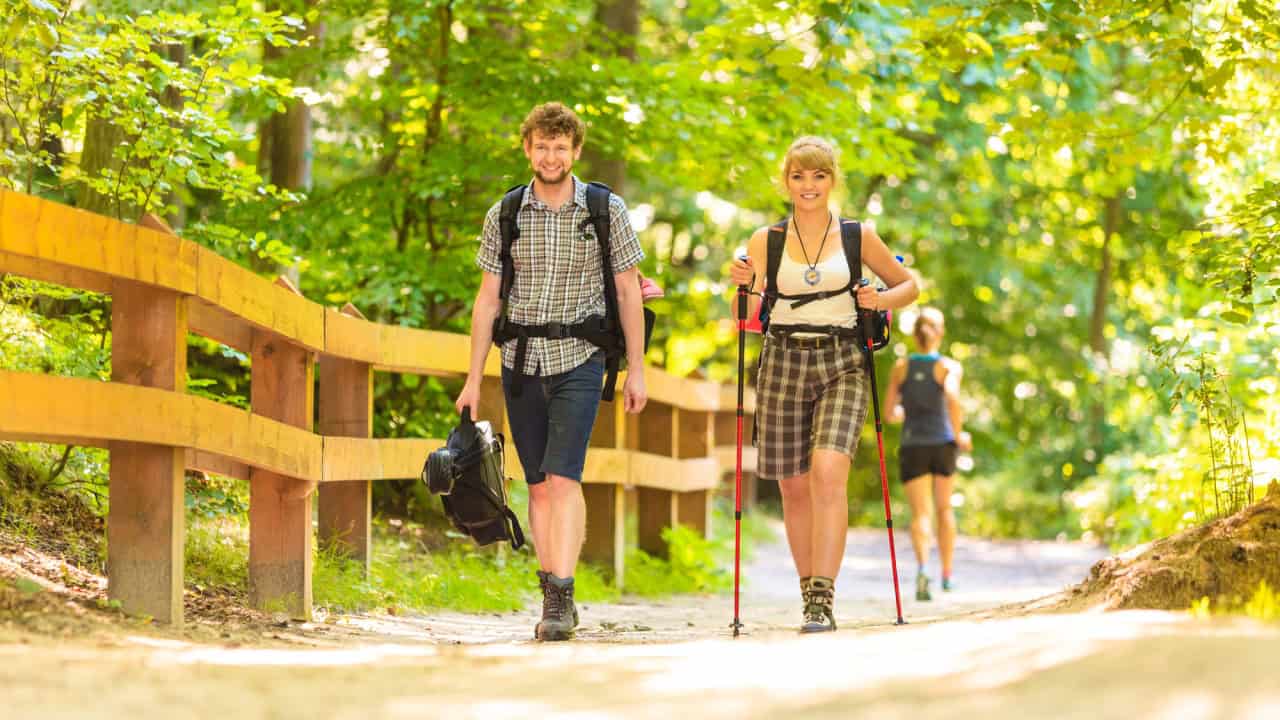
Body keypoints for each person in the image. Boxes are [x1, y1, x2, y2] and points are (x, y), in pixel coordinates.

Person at [455, 102, 648, 641]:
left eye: (561, 147)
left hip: (581, 360)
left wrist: (635, 369)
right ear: (528, 149)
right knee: (538, 484)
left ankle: (560, 597)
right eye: (542, 146)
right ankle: (550, 587)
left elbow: (630, 289)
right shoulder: (507, 213)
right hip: (519, 363)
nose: (551, 155)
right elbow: (488, 299)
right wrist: (473, 378)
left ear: (575, 152)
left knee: (564, 476)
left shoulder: (605, 211)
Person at [728, 136, 918, 632]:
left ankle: (822, 599)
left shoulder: (858, 235)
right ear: (786, 181)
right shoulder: (764, 240)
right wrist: (742, 285)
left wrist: (880, 301)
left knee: (828, 472)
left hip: (843, 360)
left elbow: (909, 285)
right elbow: (746, 318)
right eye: (798, 176)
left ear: (833, 181)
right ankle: (807, 587)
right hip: (783, 358)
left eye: (818, 176)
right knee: (793, 486)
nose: (808, 186)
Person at [883, 307, 971, 601]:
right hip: (943, 443)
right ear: (940, 332)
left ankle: (923, 570)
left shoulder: (901, 367)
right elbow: (953, 398)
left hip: (913, 444)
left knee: (921, 512)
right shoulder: (948, 367)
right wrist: (959, 435)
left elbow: (890, 413)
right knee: (944, 509)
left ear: (914, 334)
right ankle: (947, 575)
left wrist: (905, 411)